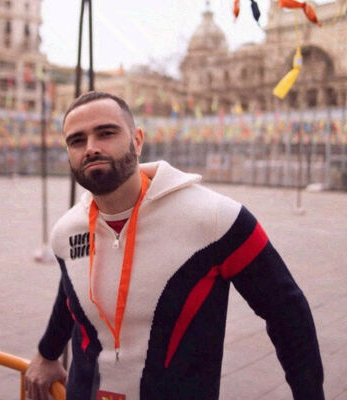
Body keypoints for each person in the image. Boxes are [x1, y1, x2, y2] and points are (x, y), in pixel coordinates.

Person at [25, 91, 324, 400]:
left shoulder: (217, 218)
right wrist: (47, 353)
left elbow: (287, 314)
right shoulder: (66, 231)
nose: (91, 148)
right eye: (77, 140)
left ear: (137, 141)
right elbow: (71, 294)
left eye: (106, 133)